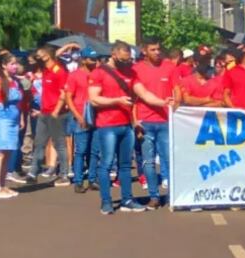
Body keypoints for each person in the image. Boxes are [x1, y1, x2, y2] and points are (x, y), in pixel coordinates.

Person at [88, 40, 172, 215]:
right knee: (107, 163)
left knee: (126, 165)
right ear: (114, 55)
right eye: (123, 59)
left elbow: (144, 94)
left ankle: (127, 199)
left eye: (128, 59)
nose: (126, 63)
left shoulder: (130, 72)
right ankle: (106, 201)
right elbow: (94, 99)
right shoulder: (99, 73)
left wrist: (163, 102)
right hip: (107, 125)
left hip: (126, 125)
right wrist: (116, 101)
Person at [134, 38, 178, 209]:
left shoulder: (169, 67)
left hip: (166, 121)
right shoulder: (136, 69)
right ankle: (154, 196)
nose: (157, 52)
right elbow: (139, 96)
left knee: (169, 159)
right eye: (153, 49)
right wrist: (135, 121)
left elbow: (177, 90)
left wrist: (177, 103)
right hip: (146, 121)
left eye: (158, 49)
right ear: (144, 51)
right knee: (149, 161)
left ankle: (172, 196)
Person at [0, 53, 25, 200]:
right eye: (12, 64)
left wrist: (21, 118)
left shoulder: (15, 81)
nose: (15, 66)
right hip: (1, 119)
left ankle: (2, 184)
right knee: (0, 154)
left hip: (13, 118)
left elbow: (19, 102)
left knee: (8, 153)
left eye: (16, 64)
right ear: (4, 65)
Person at [27, 46, 70, 186]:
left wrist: (56, 111)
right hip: (44, 113)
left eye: (39, 55)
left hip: (55, 114)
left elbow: (64, 93)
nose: (37, 57)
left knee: (59, 145)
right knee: (39, 143)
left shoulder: (59, 71)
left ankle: (64, 174)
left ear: (47, 56)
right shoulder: (45, 70)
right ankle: (33, 172)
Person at [65, 48, 101, 193]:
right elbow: (68, 97)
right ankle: (78, 181)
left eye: (96, 59)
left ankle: (92, 180)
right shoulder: (74, 75)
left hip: (97, 116)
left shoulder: (99, 75)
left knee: (94, 151)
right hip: (80, 117)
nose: (95, 62)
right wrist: (78, 116)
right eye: (92, 59)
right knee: (80, 151)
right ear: (84, 59)